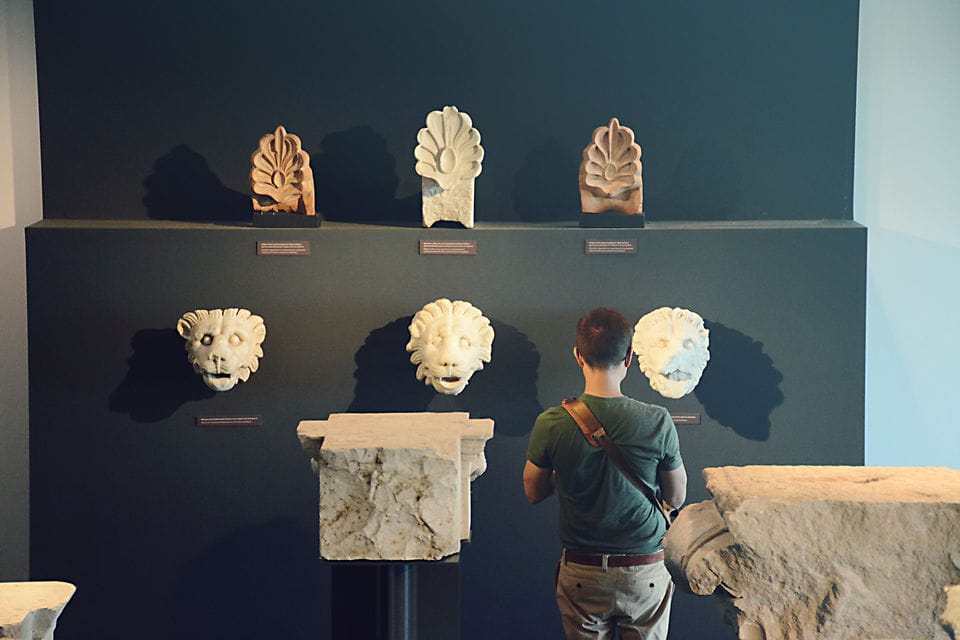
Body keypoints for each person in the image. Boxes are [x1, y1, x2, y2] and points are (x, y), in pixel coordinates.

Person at [524, 307, 687, 640]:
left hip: (582, 569)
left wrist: (568, 473)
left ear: (578, 356)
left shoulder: (552, 422)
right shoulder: (657, 420)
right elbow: (676, 496)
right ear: (629, 357)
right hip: (645, 567)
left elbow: (533, 491)